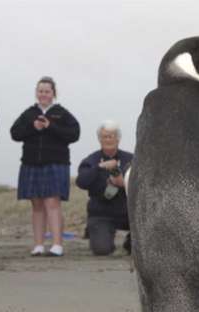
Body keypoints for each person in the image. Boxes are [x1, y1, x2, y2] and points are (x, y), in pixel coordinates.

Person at [11, 76, 80, 257]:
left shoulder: (62, 113)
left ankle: (57, 244)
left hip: (55, 163)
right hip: (31, 163)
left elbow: (74, 133)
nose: (43, 94)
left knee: (52, 203)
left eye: (47, 91)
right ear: (37, 93)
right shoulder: (29, 113)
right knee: (36, 204)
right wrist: (33, 127)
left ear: (53, 94)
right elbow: (15, 133)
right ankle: (39, 244)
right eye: (40, 91)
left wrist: (51, 126)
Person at [76, 121, 133, 256]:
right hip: (101, 214)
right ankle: (98, 235)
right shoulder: (90, 160)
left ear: (118, 138)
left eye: (111, 136)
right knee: (102, 250)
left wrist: (123, 184)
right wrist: (99, 167)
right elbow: (81, 182)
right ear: (99, 139)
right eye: (104, 136)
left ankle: (130, 242)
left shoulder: (131, 159)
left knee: (137, 248)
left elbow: (144, 185)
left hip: (128, 213)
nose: (108, 139)